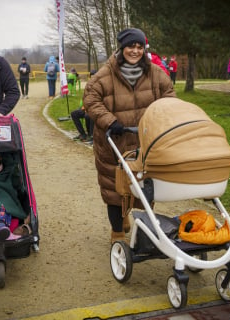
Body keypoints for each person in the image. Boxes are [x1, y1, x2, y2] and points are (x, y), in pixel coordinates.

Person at [83, 28, 176, 244]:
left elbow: (170, 97)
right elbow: (91, 99)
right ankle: (117, 231)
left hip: (146, 141)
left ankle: (143, 225)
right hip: (114, 142)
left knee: (145, 188)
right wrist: (110, 121)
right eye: (130, 46)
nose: (135, 51)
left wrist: (161, 118)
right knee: (115, 189)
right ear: (122, 48)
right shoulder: (105, 74)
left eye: (139, 47)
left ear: (144, 49)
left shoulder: (155, 73)